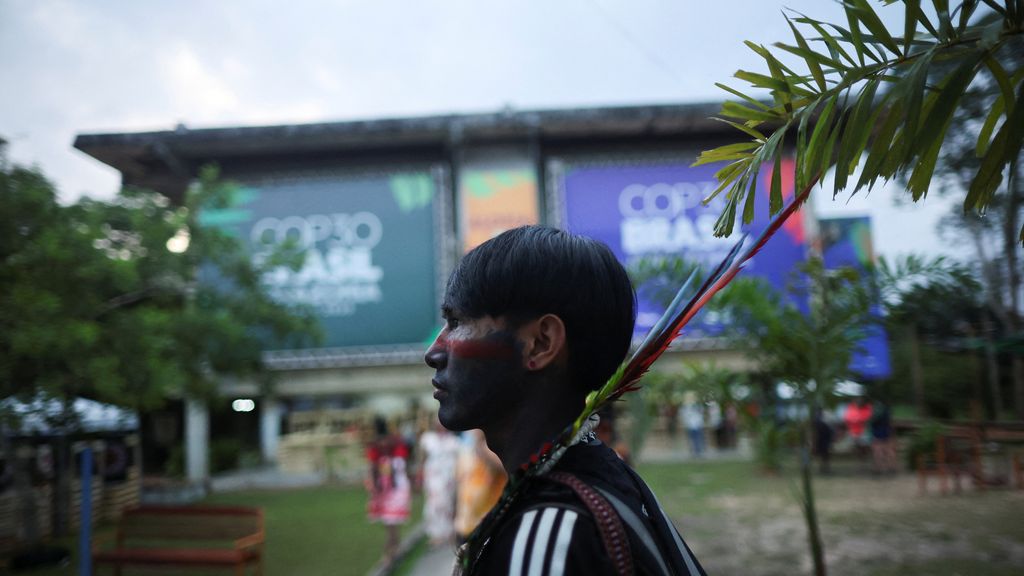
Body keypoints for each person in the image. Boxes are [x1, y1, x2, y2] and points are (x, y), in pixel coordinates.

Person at [424, 225, 706, 576]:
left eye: (455, 322)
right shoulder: (612, 481)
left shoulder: (551, 531)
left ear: (542, 343)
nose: (434, 351)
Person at [365, 416, 411, 563]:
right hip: (385, 490)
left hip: (395, 489)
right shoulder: (380, 450)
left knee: (392, 523)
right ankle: (393, 549)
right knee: (390, 524)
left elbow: (403, 466)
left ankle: (391, 551)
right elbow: (372, 468)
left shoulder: (395, 448)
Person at [453, 429, 506, 543]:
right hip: (465, 526)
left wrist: (481, 446)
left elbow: (506, 469)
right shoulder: (465, 449)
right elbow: (461, 485)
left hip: (490, 523)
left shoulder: (492, 448)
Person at [419, 415, 461, 546]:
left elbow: (459, 459)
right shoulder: (427, 439)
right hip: (433, 475)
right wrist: (420, 474)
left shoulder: (454, 441)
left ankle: (449, 532)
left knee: (448, 504)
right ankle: (435, 534)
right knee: (434, 504)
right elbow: (422, 457)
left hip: (448, 476)